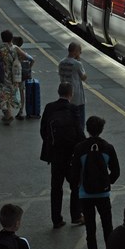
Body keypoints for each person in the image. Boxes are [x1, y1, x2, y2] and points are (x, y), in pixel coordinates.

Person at [72, 115, 120, 249]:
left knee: (90, 231)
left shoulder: (79, 148)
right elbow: (116, 171)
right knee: (108, 229)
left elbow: (74, 173)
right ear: (101, 130)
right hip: (103, 195)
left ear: (87, 128)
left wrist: (78, 186)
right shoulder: (108, 147)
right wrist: (107, 182)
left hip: (85, 195)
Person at [40, 82, 85, 230]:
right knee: (75, 185)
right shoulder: (73, 109)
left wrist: (51, 146)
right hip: (71, 155)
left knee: (56, 187)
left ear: (58, 92)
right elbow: (79, 132)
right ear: (71, 94)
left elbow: (43, 130)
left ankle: (56, 219)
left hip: (55, 155)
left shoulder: (49, 107)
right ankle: (76, 216)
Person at [0, 29, 25, 124]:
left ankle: (8, 116)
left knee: (2, 95)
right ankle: (8, 115)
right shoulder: (15, 48)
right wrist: (17, 60)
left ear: (2, 38)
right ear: (11, 38)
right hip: (13, 75)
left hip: (1, 75)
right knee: (9, 94)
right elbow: (25, 56)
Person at [58, 41, 88, 132]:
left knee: (68, 117)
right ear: (75, 52)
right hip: (77, 96)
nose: (81, 53)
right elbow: (84, 77)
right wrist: (79, 61)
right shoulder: (77, 64)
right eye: (80, 51)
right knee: (80, 120)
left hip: (64, 94)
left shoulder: (61, 62)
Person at [13, 35, 35, 118]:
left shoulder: (13, 53)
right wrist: (28, 68)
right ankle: (21, 110)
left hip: (13, 76)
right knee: (21, 92)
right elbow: (32, 60)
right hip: (22, 76)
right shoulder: (24, 53)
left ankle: (9, 110)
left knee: (11, 92)